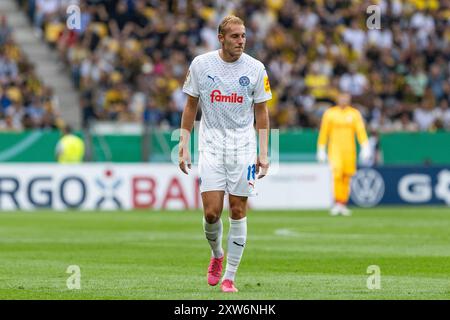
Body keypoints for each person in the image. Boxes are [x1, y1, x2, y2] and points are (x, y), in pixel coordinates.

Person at [178, 15, 271, 293]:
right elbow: (190, 106)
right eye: (234, 36)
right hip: (211, 147)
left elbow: (262, 112)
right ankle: (217, 254)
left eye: (243, 36)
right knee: (211, 214)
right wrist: (184, 144)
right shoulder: (201, 64)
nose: (241, 41)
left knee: (238, 210)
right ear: (221, 38)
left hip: (243, 148)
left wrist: (263, 152)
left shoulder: (256, 68)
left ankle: (230, 277)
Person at [317, 92, 371, 216]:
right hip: (334, 149)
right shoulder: (330, 113)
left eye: (346, 98)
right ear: (337, 99)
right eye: (341, 98)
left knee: (347, 176)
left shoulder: (354, 113)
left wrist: (365, 146)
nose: (343, 100)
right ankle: (337, 202)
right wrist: (321, 148)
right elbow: (324, 132)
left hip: (350, 150)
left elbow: (360, 131)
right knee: (337, 174)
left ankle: (343, 203)